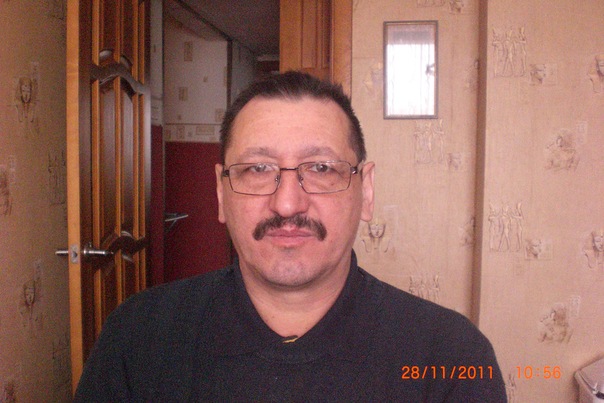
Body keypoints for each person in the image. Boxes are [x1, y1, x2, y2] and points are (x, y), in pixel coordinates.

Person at [74, 71, 506, 401]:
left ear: (366, 191)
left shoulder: (451, 357)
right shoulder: (138, 339)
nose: (286, 204)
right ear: (221, 194)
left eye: (320, 168)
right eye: (258, 169)